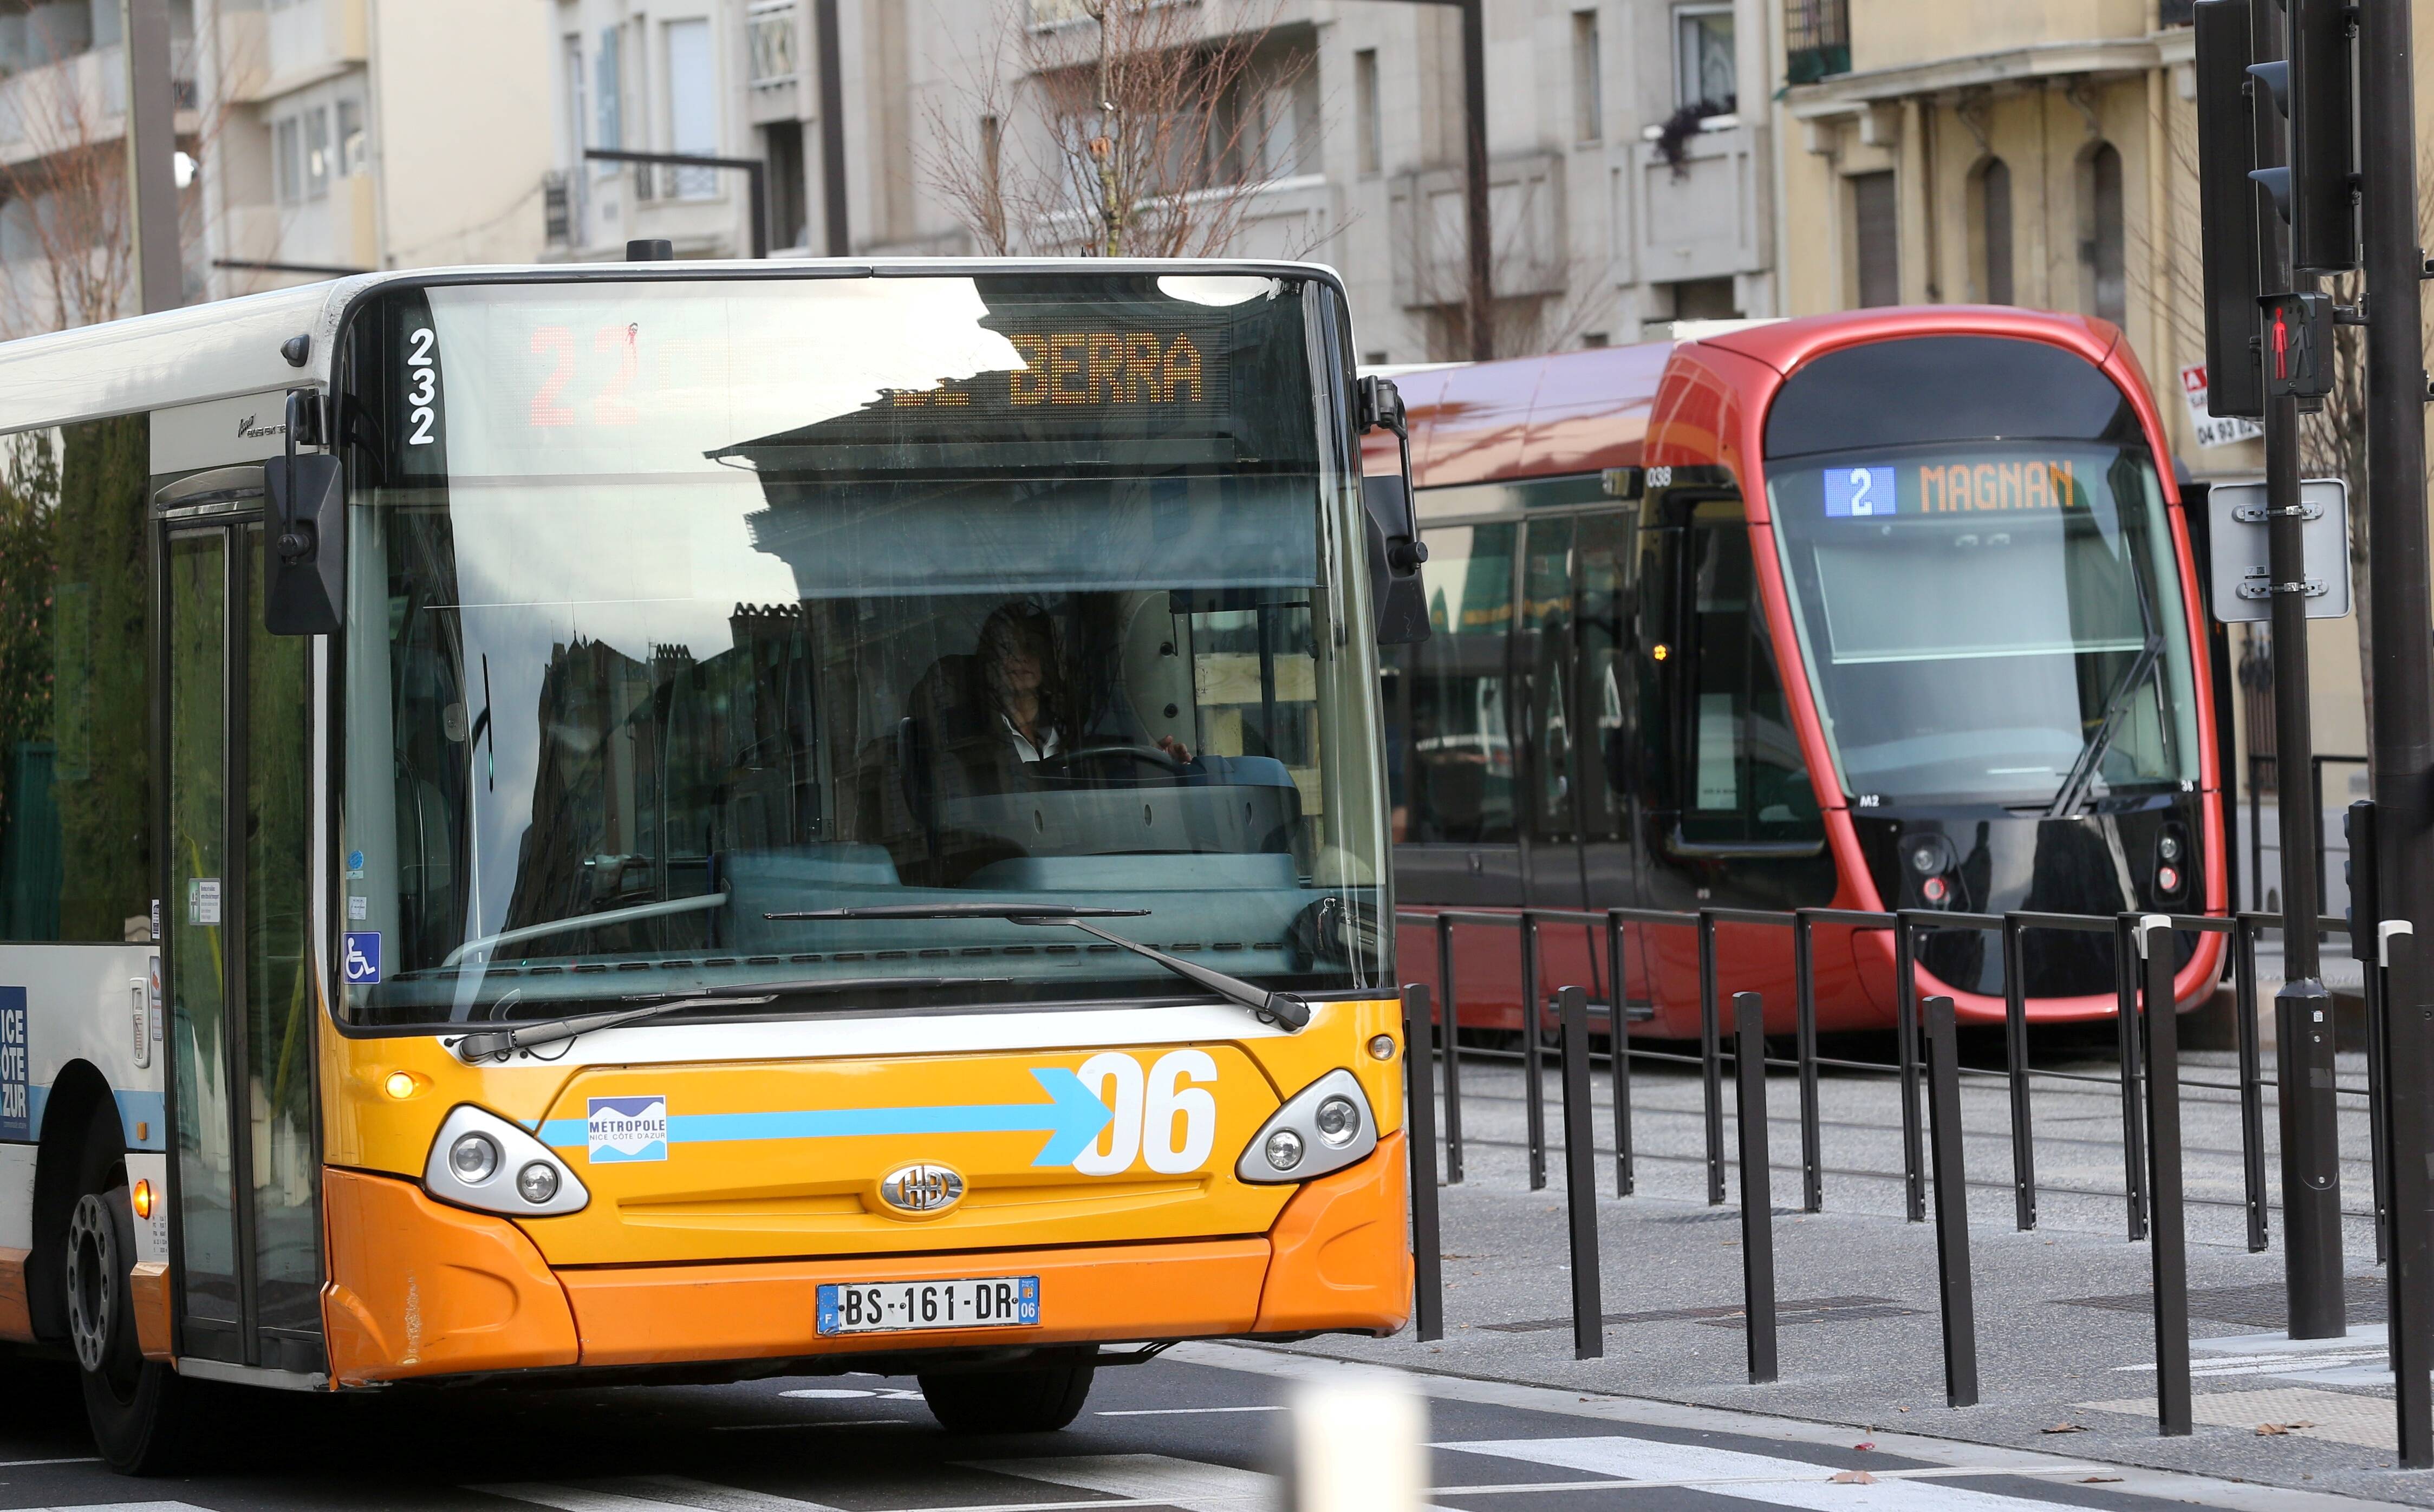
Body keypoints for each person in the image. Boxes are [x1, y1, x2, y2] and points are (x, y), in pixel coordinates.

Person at [975, 602, 1188, 770]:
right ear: (992, 660)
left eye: (1030, 647)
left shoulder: (1075, 725)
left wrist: (1155, 762)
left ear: (1046, 658)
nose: (1020, 658)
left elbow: (1108, 782)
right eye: (1008, 648)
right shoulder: (979, 735)